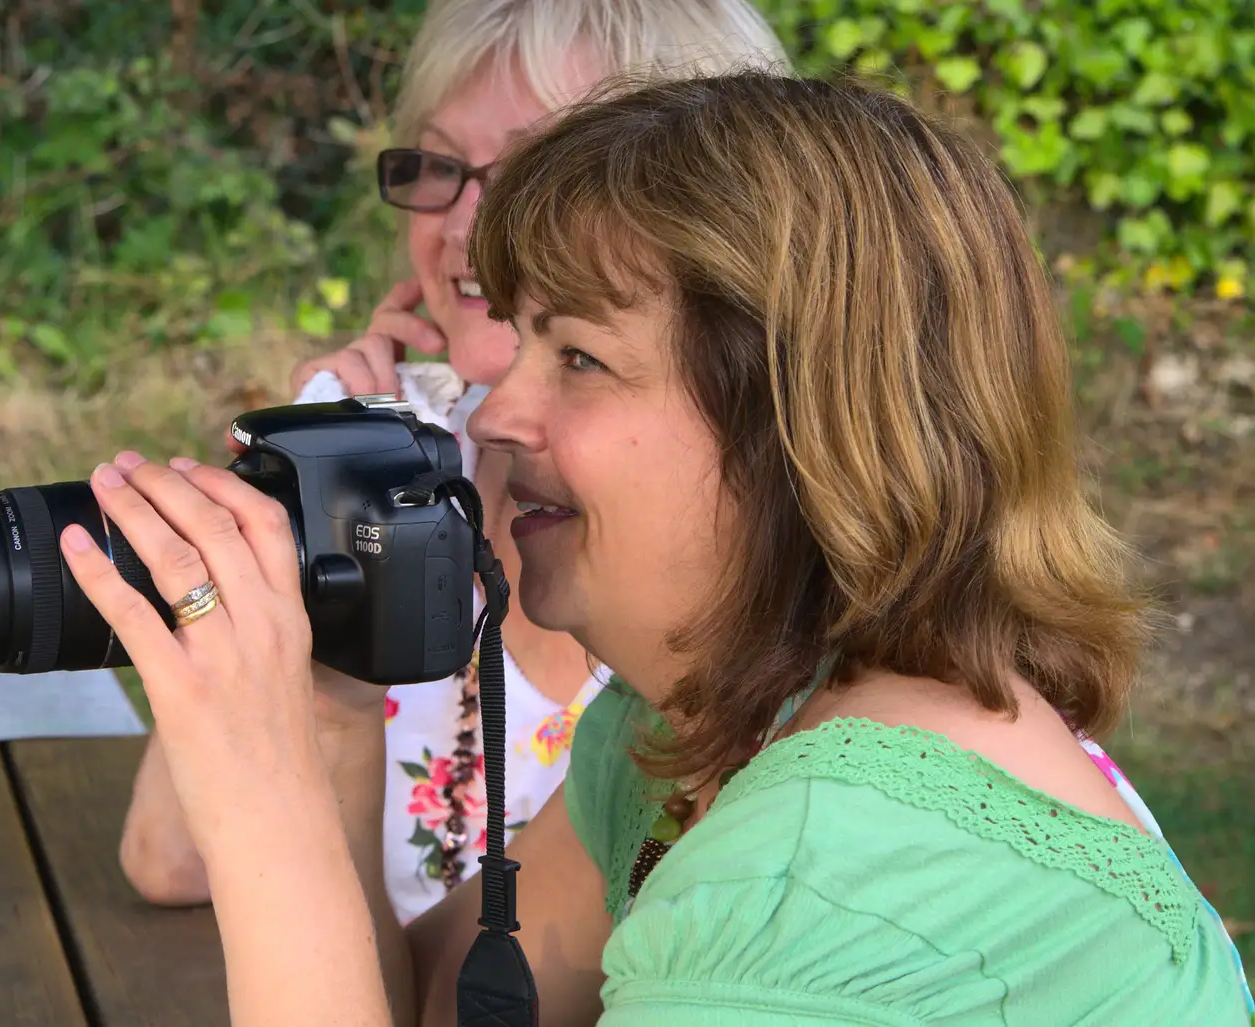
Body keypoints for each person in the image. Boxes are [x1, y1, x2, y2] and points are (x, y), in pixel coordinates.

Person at [65, 72, 1253, 1026]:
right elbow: (441, 1005)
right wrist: (326, 713)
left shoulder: (823, 872)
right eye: (520, 346)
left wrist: (259, 792)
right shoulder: (697, 728)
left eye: (577, 357)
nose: (491, 417)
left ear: (799, 426)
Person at [117, 0, 790, 924]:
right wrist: (286, 508)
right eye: (440, 167)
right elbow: (169, 855)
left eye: (532, 172)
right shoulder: (400, 462)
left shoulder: (731, 541)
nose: (466, 225)